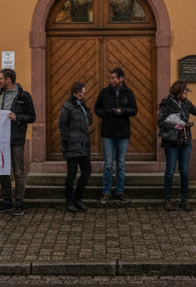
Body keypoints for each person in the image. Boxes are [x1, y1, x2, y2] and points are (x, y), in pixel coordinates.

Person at [0, 68, 36, 216]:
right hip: (1, 139)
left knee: (18, 171)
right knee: (3, 170)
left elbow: (32, 116)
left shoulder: (24, 96)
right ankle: (6, 202)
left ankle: (19, 203)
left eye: (0, 78)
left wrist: (17, 118)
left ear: (9, 80)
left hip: (16, 138)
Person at [158, 80, 196, 212]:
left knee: (184, 171)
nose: (187, 93)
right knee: (170, 171)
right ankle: (168, 200)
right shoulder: (167, 104)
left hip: (185, 141)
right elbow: (160, 122)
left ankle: (185, 200)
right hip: (171, 142)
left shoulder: (186, 103)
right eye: (185, 91)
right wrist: (176, 125)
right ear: (178, 91)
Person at [94, 67, 138, 204]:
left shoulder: (128, 93)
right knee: (108, 164)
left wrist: (122, 111)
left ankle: (120, 191)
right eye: (111, 78)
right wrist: (109, 112)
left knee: (120, 164)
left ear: (121, 78)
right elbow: (97, 109)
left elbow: (134, 110)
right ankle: (106, 192)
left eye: (114, 78)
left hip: (123, 133)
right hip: (108, 132)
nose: (112, 80)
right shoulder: (104, 92)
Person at [59, 82, 93, 213]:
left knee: (87, 171)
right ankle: (69, 202)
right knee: (71, 175)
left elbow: (89, 121)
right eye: (80, 93)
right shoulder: (67, 106)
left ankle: (77, 199)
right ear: (74, 92)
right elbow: (62, 125)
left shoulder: (82, 105)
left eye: (83, 93)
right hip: (72, 146)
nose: (82, 95)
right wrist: (67, 141)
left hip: (83, 144)